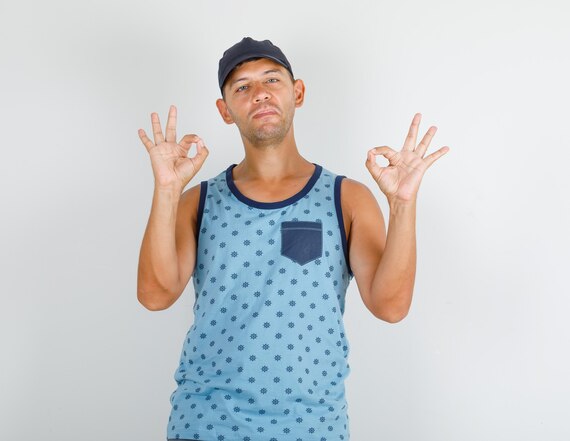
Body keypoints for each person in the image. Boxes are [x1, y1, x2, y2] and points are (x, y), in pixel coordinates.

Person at [136, 37, 449, 441]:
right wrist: (166, 190)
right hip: (206, 423)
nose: (260, 94)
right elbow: (155, 295)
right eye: (242, 87)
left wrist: (403, 204)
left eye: (272, 79)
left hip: (313, 426)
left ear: (297, 92)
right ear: (225, 110)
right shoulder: (199, 201)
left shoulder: (347, 198)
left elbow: (390, 307)